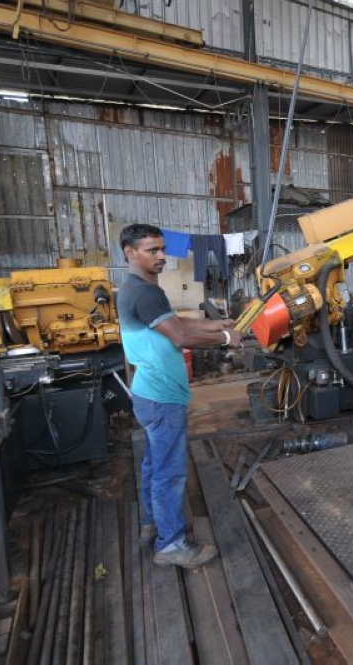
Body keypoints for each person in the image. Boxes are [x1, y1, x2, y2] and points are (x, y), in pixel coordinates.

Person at [118, 223, 242, 568]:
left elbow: (175, 324)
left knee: (153, 463)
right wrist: (226, 340)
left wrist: (216, 325)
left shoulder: (136, 288)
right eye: (152, 251)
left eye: (162, 249)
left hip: (148, 392)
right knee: (170, 472)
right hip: (161, 396)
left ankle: (150, 523)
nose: (162, 256)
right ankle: (169, 544)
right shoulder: (146, 293)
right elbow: (180, 337)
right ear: (131, 252)